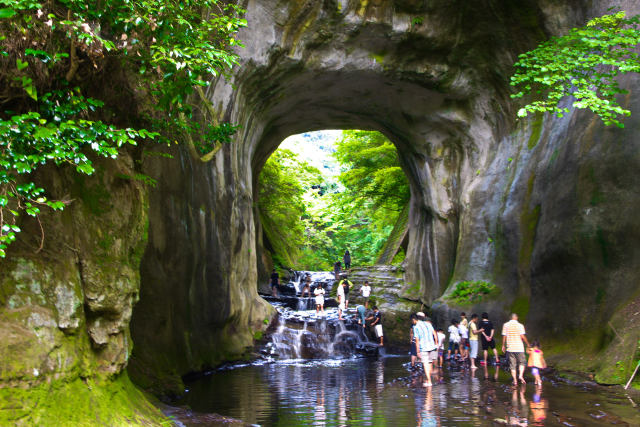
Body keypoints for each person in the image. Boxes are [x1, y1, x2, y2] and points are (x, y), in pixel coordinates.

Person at [502, 313, 530, 385]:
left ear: (510, 318)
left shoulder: (506, 325)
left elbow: (504, 336)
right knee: (522, 362)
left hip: (510, 348)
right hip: (519, 348)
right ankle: (520, 376)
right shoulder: (520, 325)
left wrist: (503, 346)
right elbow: (522, 336)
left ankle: (515, 380)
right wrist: (528, 344)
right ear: (516, 318)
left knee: (512, 365)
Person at [412, 313, 438, 387]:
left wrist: (417, 351)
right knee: (430, 363)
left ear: (414, 319)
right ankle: (428, 380)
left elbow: (417, 340)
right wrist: (436, 343)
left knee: (425, 364)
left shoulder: (416, 327)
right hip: (432, 346)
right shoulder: (428, 324)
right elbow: (434, 333)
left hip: (424, 347)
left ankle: (429, 381)